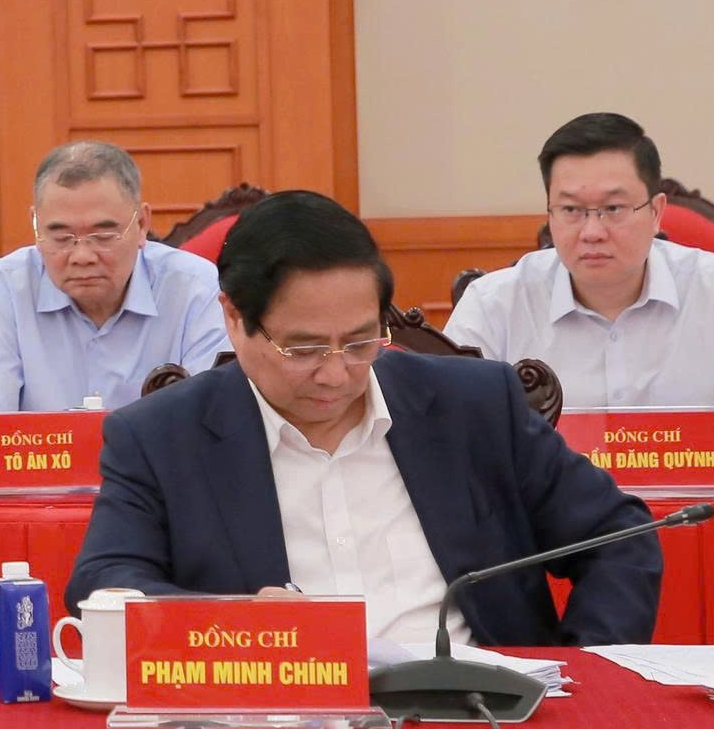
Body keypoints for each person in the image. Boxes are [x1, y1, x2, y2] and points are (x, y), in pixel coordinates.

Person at [67, 191, 660, 648]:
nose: (334, 374)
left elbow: (620, 538)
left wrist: (585, 676)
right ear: (233, 317)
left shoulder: (472, 406)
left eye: (359, 342)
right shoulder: (160, 436)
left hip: (481, 720)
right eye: (302, 348)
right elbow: (105, 584)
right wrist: (236, 620)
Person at [446, 113, 714, 470]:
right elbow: (444, 424)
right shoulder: (494, 302)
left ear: (656, 212)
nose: (592, 232)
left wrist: (682, 450)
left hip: (696, 507)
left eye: (613, 208)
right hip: (543, 511)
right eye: (571, 210)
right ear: (549, 213)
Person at [0, 141, 228, 411]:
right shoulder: (0, 291)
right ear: (36, 226)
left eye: (103, 236)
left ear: (142, 224)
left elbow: (214, 417)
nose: (82, 256)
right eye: (62, 237)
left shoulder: (196, 289)